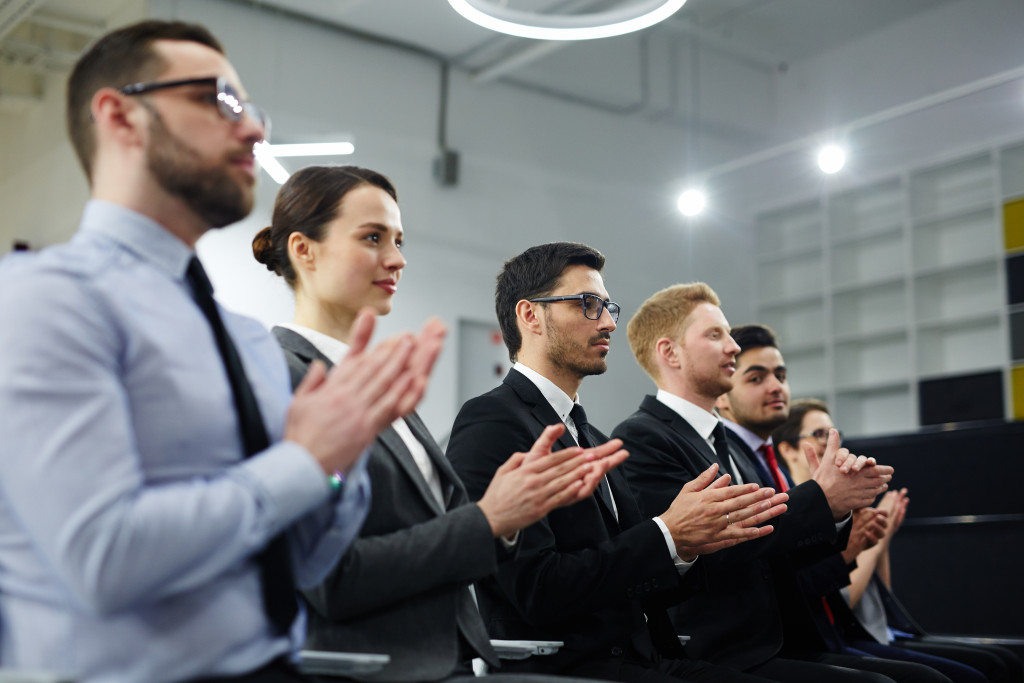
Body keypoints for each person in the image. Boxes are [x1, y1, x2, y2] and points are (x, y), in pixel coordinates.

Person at [0, 21, 444, 683]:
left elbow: (297, 562)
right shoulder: (43, 299)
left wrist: (340, 456)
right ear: (121, 116)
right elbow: (105, 558)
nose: (255, 131)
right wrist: (307, 460)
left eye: (252, 109)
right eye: (218, 101)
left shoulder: (241, 338)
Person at [252, 166, 628, 683]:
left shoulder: (381, 391)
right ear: (304, 250)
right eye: (372, 238)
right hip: (373, 666)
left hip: (451, 661)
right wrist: (488, 519)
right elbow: (328, 578)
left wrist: (511, 515)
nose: (397, 259)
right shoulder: (278, 376)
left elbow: (446, 545)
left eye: (399, 240)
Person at [447, 242, 792, 683]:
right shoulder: (492, 420)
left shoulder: (594, 437)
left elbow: (636, 575)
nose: (609, 322)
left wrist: (684, 546)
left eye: (608, 306)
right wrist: (668, 533)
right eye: (588, 304)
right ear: (530, 316)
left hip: (645, 656)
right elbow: (535, 590)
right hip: (569, 668)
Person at [613, 287, 957, 683]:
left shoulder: (728, 442)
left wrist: (839, 512)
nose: (732, 348)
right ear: (669, 352)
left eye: (729, 335)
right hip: (718, 650)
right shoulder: (642, 438)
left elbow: (777, 547)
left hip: (775, 640)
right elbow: (715, 548)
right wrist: (822, 499)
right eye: (715, 335)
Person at [774, 404, 1022, 683]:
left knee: (1003, 661)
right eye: (819, 433)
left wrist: (883, 535)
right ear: (788, 449)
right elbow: (842, 600)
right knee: (974, 673)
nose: (830, 442)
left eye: (832, 433)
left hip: (875, 630)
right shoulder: (796, 514)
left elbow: (881, 595)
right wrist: (869, 543)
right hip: (836, 638)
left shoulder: (838, 509)